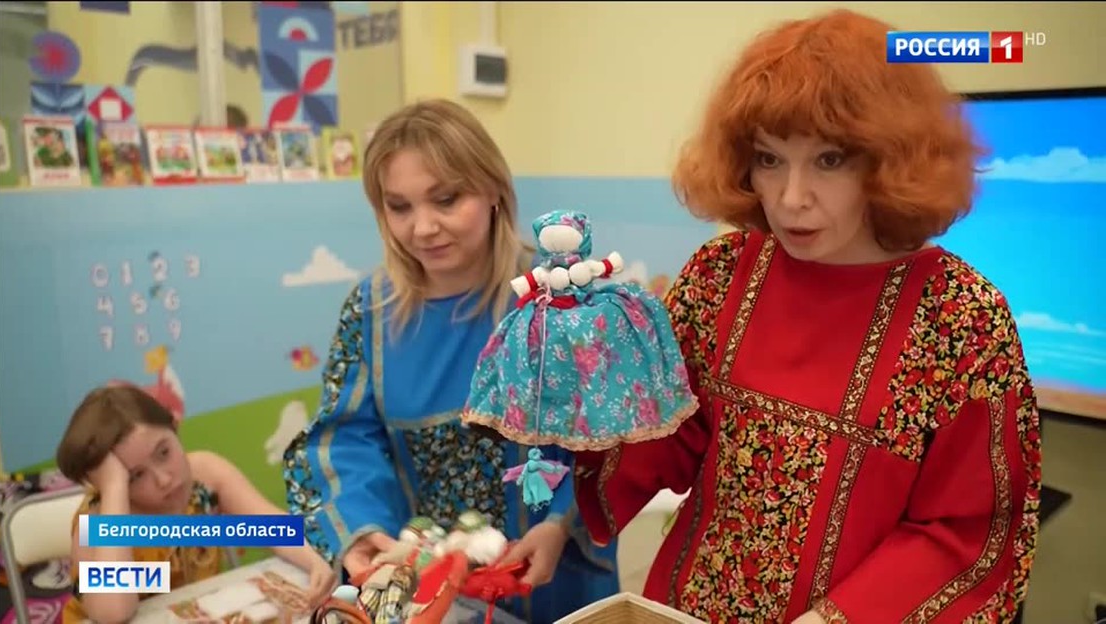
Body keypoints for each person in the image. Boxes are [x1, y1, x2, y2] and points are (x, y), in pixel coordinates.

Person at [573, 9, 1041, 624]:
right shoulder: (721, 274)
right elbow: (662, 435)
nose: (791, 198)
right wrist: (581, 392)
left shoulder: (961, 317)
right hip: (688, 609)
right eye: (769, 159)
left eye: (829, 160)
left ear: (888, 159)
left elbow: (969, 531)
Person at [282, 98, 620, 623]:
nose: (423, 227)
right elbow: (344, 439)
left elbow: (611, 431)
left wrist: (559, 522)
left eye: (446, 199)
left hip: (557, 580)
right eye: (399, 207)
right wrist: (364, 529)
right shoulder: (371, 311)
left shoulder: (560, 297)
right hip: (429, 590)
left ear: (492, 189)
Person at [57, 385, 337, 623]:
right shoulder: (97, 522)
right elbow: (115, 612)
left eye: (163, 452)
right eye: (135, 476)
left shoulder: (205, 476)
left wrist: (315, 560)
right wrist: (114, 490)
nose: (164, 479)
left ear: (174, 428)